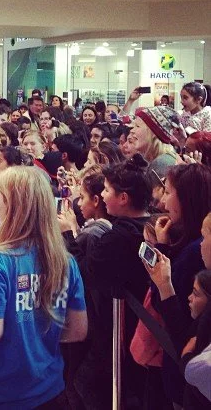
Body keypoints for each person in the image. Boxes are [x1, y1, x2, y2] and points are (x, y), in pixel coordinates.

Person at [0, 166, 88, 409]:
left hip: (3, 393)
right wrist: (37, 338)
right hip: (50, 387)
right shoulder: (65, 261)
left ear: (13, 206)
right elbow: (78, 330)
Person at [84, 155, 152, 406]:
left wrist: (71, 234)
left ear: (123, 198)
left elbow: (90, 268)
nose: (101, 195)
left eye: (107, 190)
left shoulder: (120, 237)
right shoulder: (150, 226)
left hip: (120, 326)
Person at [150, 164, 211, 407]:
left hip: (189, 382)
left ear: (186, 198)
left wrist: (162, 251)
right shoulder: (190, 242)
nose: (163, 201)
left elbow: (179, 321)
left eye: (168, 192)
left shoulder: (194, 253)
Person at [131, 106, 181, 177]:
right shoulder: (163, 159)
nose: (132, 130)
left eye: (137, 126)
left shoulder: (162, 164)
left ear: (153, 133)